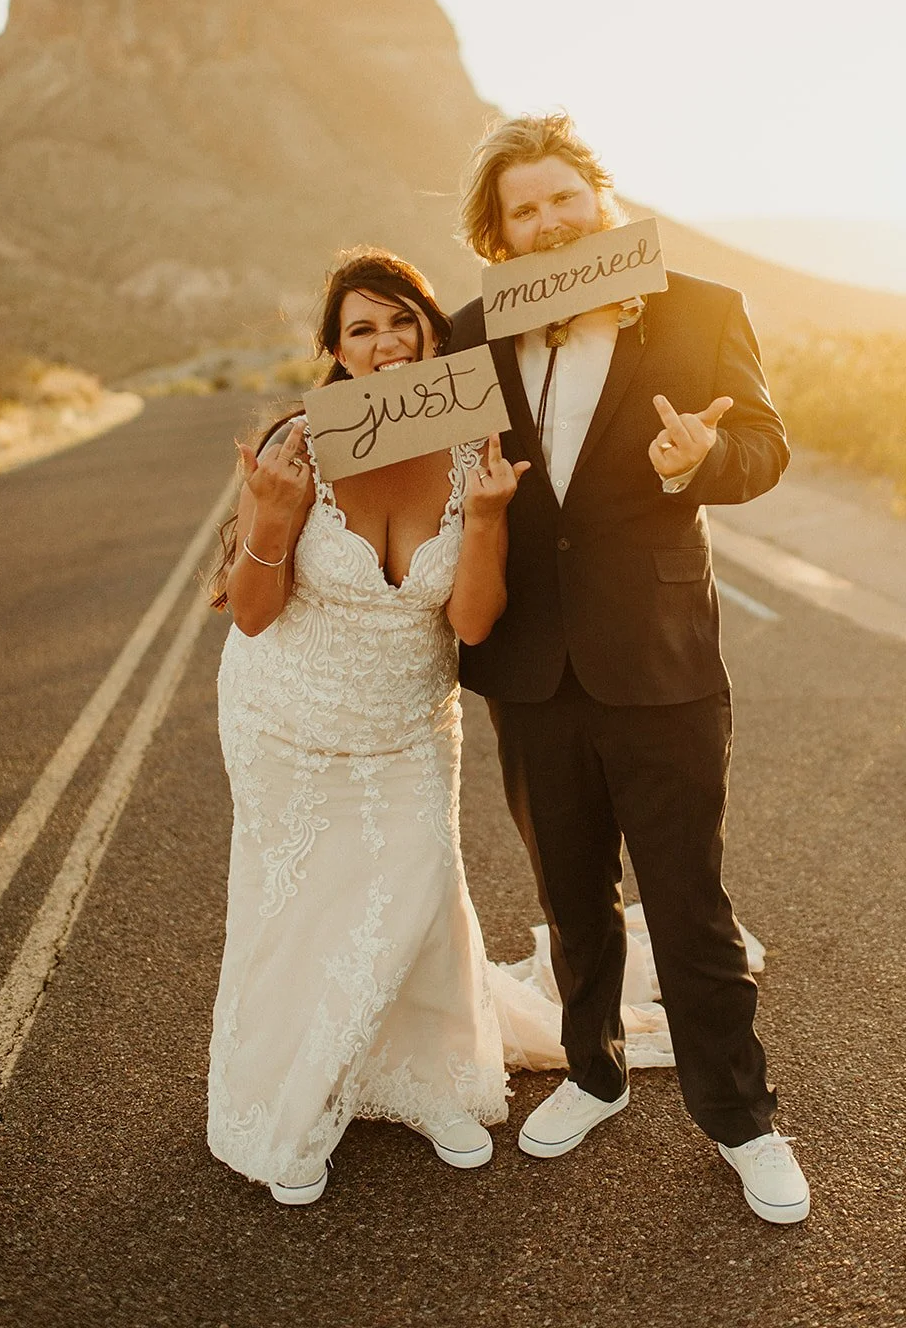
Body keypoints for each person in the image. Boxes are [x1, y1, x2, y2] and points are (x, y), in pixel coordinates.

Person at [448, 113, 811, 1225]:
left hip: (658, 656)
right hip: (527, 661)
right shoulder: (472, 330)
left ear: (599, 199)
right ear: (500, 235)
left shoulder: (699, 309)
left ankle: (741, 1118)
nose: (548, 219)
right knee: (568, 894)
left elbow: (763, 444)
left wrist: (702, 458)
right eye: (524, 209)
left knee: (687, 897)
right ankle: (594, 1070)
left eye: (564, 197)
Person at [206, 247, 528, 1205]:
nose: (385, 343)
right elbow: (254, 612)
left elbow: (470, 623)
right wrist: (272, 515)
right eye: (361, 329)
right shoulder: (299, 443)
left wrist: (488, 519)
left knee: (417, 892)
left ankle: (429, 1082)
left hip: (405, 721)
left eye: (401, 322)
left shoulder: (475, 446)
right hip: (284, 715)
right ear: (334, 352)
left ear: (432, 333)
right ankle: (292, 1101)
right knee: (300, 905)